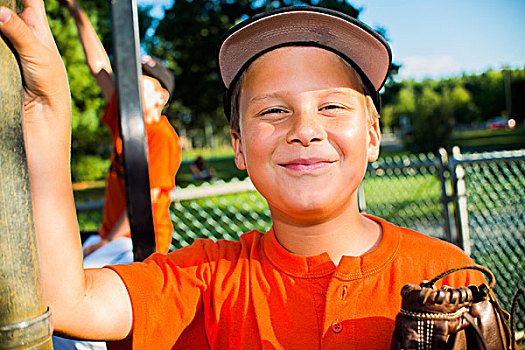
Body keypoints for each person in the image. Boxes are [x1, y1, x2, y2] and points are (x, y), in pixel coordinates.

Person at [0, 3, 486, 349]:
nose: (305, 130)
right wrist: (46, 110)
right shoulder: (207, 279)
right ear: (237, 145)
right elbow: (67, 301)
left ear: (374, 134)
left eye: (332, 106)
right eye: (273, 110)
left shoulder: (449, 276)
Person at [58, 0, 182, 264]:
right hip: (111, 238)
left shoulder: (161, 135)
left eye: (142, 79)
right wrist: (76, 10)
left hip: (139, 242)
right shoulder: (125, 119)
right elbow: (99, 67)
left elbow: (146, 200)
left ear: (161, 96)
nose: (131, 83)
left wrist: (106, 242)